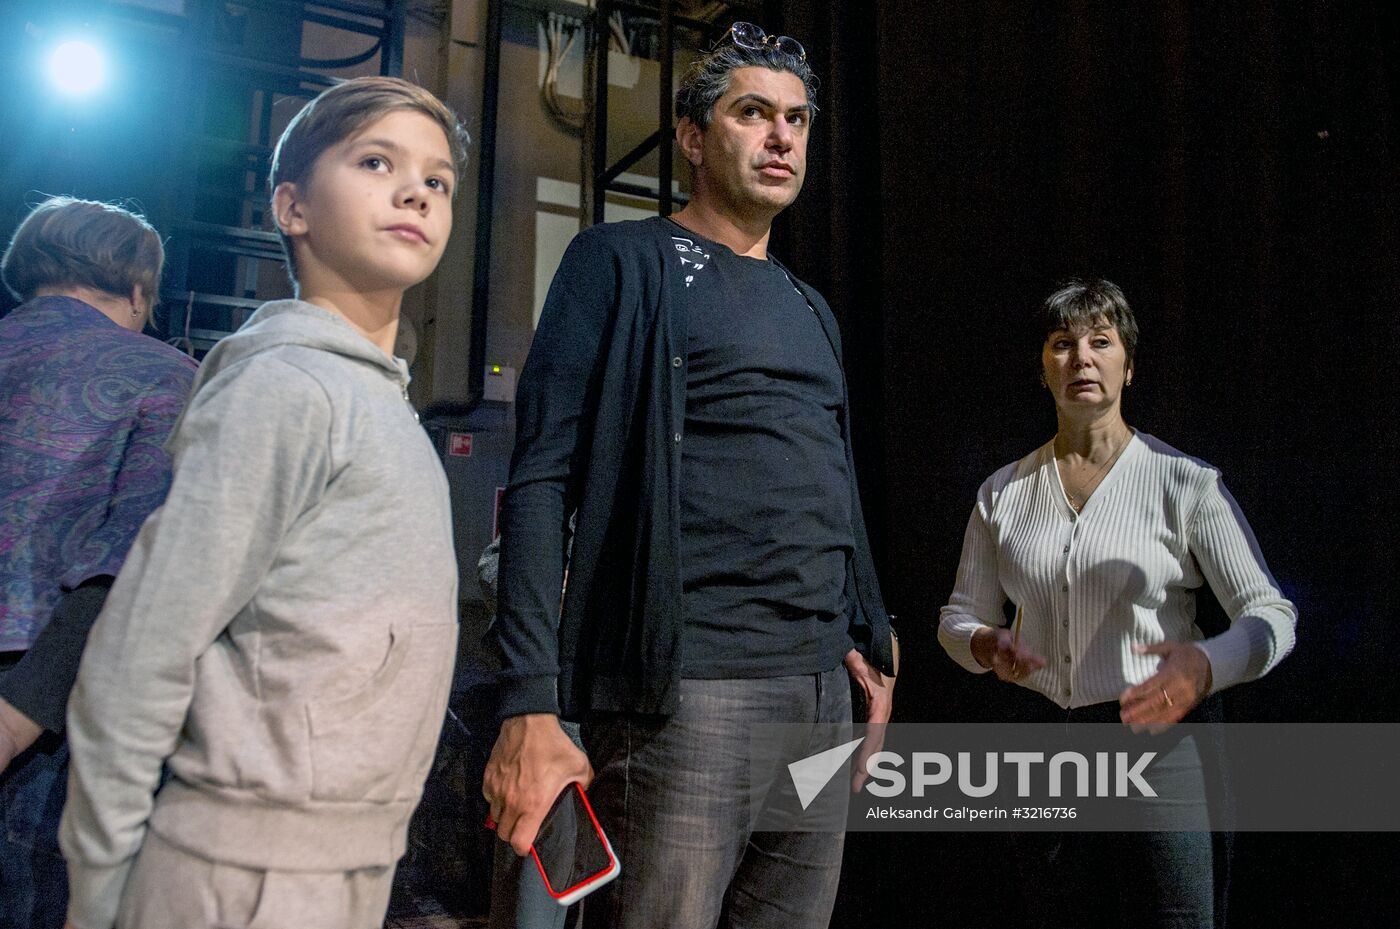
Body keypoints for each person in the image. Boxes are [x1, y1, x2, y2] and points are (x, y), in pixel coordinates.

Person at [483, 22, 897, 929]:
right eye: (754, 113)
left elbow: (835, 482)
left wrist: (876, 639)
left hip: (822, 697)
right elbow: (541, 478)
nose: (782, 136)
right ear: (695, 136)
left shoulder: (809, 305)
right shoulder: (620, 264)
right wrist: (529, 697)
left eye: (797, 119)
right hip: (688, 696)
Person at [58, 76, 469, 929]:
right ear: (292, 206)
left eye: (437, 181)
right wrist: (100, 894)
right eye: (375, 160)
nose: (414, 192)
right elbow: (143, 652)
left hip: (345, 866)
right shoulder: (285, 387)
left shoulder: (382, 407)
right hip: (243, 876)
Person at [937, 278, 1297, 928]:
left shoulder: (1183, 482)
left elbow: (1273, 614)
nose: (1081, 357)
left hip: (1158, 745)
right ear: (1042, 368)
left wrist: (1207, 666)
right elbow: (957, 617)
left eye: (1100, 341)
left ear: (1128, 365)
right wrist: (985, 644)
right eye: (1062, 343)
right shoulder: (1003, 493)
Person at [0, 197, 196, 928]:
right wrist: (16, 721)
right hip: (46, 716)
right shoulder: (167, 376)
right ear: (139, 290)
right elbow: (129, 564)